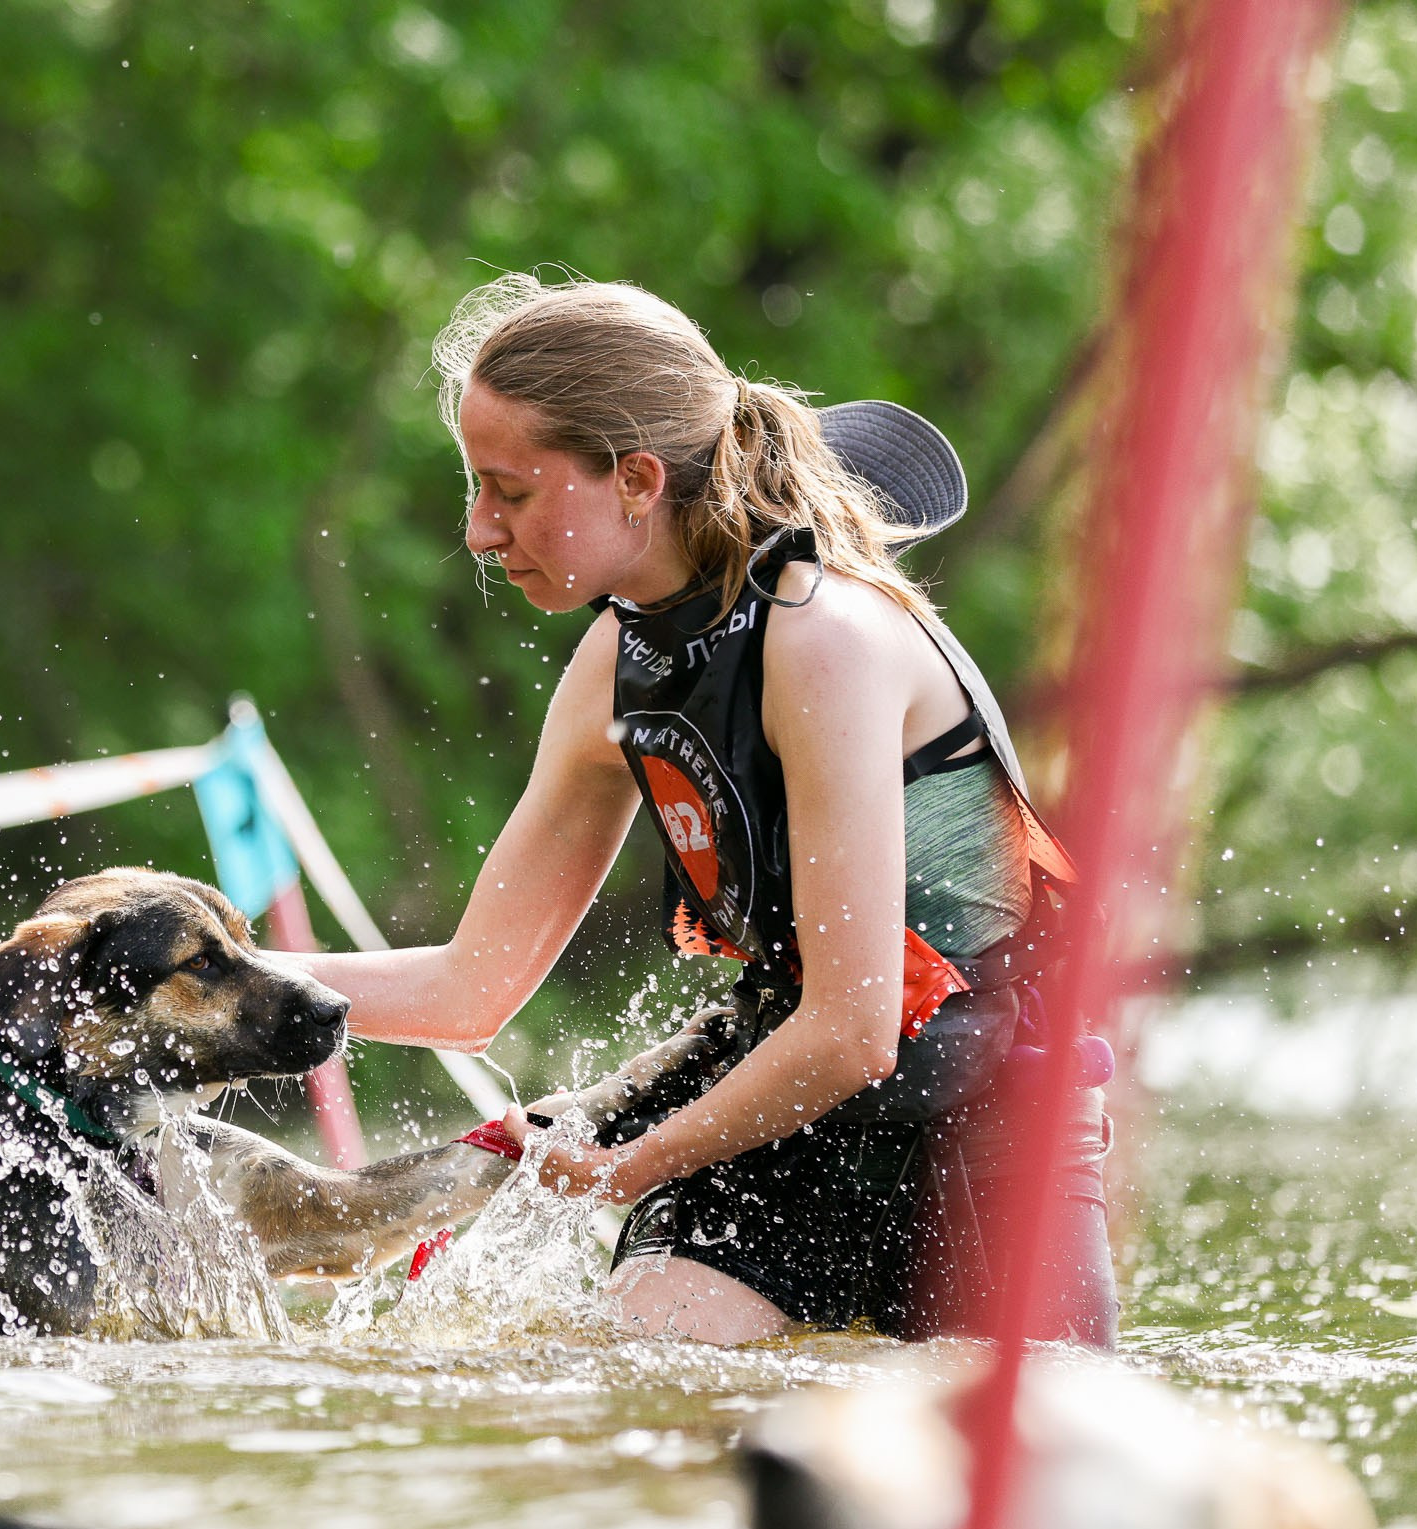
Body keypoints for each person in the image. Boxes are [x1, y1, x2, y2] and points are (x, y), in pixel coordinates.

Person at [286, 275, 1115, 1346]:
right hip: (779, 1107)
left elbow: (854, 1030)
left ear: (633, 479)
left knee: (1014, 1469)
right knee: (616, 1402)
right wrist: (204, 990)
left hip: (981, 1115)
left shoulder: (827, 639)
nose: (478, 532)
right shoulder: (610, 665)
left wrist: (625, 1166)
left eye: (509, 491)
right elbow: (468, 988)